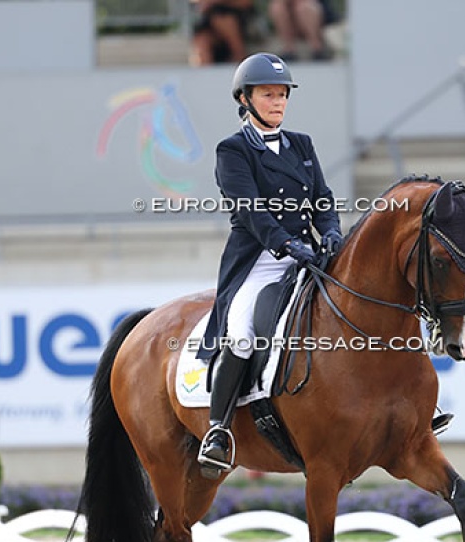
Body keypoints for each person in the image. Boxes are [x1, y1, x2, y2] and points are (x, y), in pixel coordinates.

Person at [195, 52, 343, 470]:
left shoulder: (302, 144)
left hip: (307, 253)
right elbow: (250, 210)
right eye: (268, 95)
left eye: (282, 95)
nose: (278, 102)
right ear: (245, 98)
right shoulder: (233, 150)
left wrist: (330, 230)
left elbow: (322, 198)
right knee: (241, 331)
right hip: (260, 257)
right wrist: (284, 244)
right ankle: (218, 430)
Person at [190, 0, 255, 66]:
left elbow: (246, 3)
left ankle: (240, 59)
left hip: (235, 17)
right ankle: (205, 71)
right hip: (209, 21)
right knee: (202, 40)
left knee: (225, 21)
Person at [268, 0, 337, 61]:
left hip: (316, 13)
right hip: (292, 16)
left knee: (303, 6)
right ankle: (289, 50)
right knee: (277, 6)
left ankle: (317, 48)